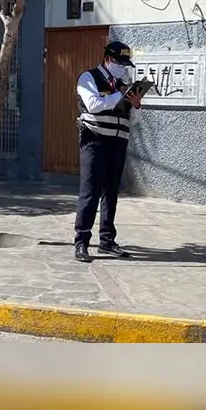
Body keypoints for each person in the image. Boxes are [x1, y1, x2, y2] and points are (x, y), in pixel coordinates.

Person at [72, 41, 146, 263]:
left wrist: (136, 104)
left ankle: (107, 240)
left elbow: (133, 120)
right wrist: (120, 97)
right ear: (108, 59)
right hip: (94, 141)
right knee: (90, 192)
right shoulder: (89, 78)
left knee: (111, 193)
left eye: (125, 65)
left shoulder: (123, 84)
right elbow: (93, 105)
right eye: (119, 63)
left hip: (118, 142)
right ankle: (81, 242)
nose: (123, 68)